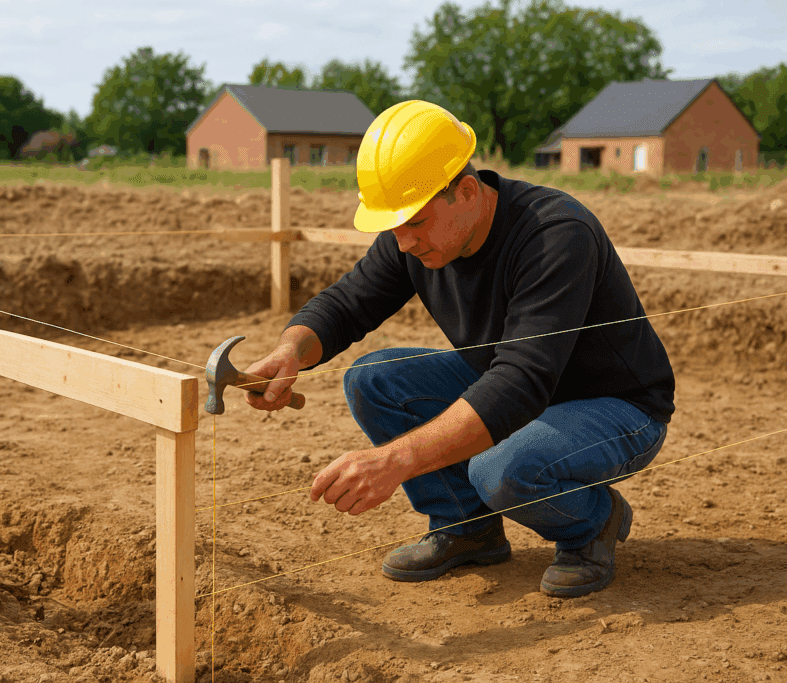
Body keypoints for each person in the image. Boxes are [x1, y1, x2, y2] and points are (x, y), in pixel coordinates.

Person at [243, 100, 675, 598]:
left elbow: (520, 383)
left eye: (414, 223)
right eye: (394, 226)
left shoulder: (555, 234)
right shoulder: (414, 234)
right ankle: (467, 528)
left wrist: (395, 461)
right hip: (524, 389)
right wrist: (291, 351)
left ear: (466, 191)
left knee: (501, 469)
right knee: (374, 380)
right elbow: (348, 304)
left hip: (616, 408)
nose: (403, 242)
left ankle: (593, 522)